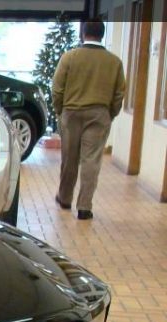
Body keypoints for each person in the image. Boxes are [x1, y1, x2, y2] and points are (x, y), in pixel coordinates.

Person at [51, 20, 126, 220]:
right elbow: (119, 94)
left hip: (71, 113)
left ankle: (65, 198)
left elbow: (57, 88)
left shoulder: (69, 57)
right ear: (102, 35)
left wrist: (60, 110)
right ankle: (84, 207)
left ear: (83, 34)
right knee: (91, 160)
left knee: (69, 158)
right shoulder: (114, 62)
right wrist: (110, 113)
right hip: (99, 114)